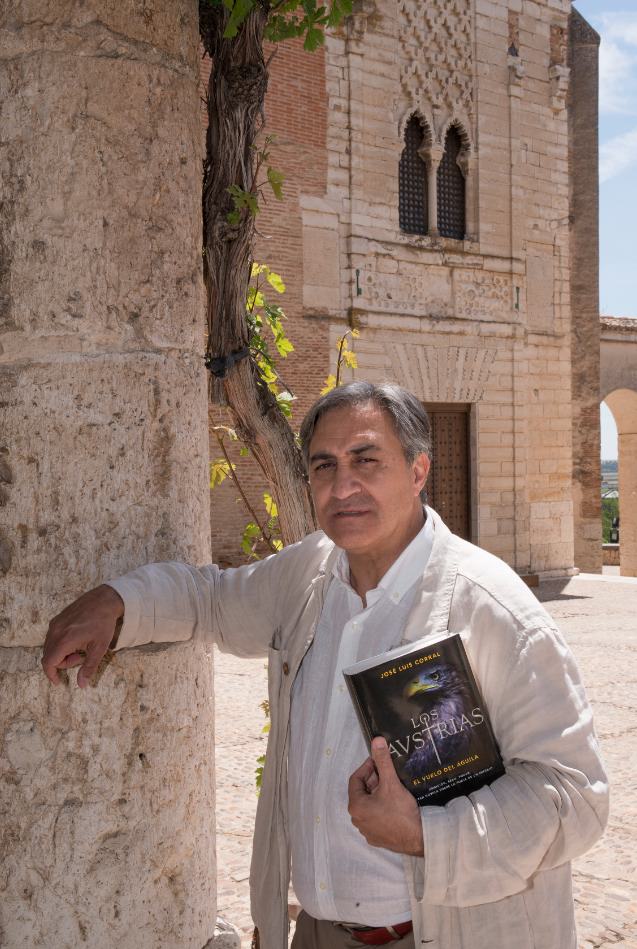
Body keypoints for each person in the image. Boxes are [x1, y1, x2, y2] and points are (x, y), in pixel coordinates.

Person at [43, 382, 608, 949]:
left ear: (418, 472)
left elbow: (575, 795)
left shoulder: (491, 609)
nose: (343, 486)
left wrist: (426, 835)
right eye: (324, 466)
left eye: (366, 460)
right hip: (313, 933)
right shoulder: (308, 574)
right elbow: (212, 600)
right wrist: (119, 602)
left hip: (444, 934)